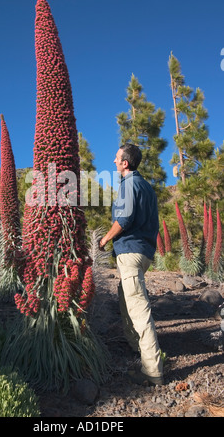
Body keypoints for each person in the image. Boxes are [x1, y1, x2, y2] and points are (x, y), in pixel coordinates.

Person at [99, 143, 164, 386]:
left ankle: (153, 370)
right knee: (125, 297)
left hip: (130, 251)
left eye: (116, 158)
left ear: (125, 163)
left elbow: (123, 219)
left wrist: (106, 238)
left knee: (139, 309)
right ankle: (136, 346)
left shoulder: (128, 184)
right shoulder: (147, 187)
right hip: (145, 252)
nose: (114, 162)